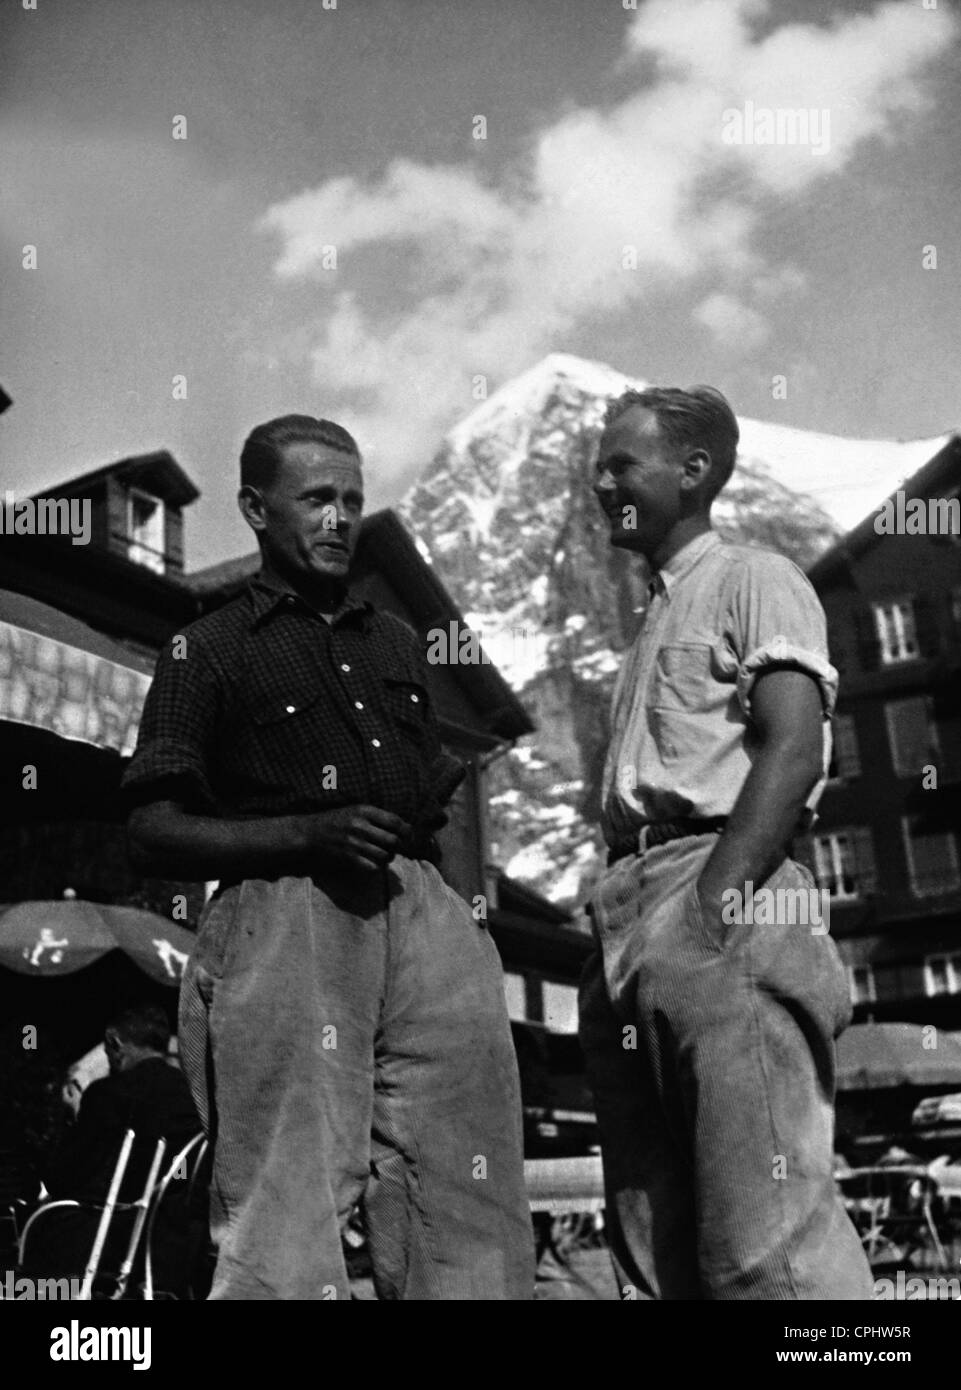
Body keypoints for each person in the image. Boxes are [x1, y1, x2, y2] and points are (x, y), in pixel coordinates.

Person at [122, 414, 533, 1301]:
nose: (340, 518)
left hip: (421, 916)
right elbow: (153, 827)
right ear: (256, 509)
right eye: (315, 498)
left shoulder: (395, 642)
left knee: (466, 1195)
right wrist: (303, 834)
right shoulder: (208, 648)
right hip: (285, 918)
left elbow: (442, 792)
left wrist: (465, 920)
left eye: (352, 498)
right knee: (287, 1197)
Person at [579, 385, 873, 1300]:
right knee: (654, 1242)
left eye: (621, 463)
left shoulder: (752, 576)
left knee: (768, 1244)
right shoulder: (652, 621)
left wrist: (714, 906)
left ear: (694, 470)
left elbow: (794, 746)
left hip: (716, 890)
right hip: (629, 913)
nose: (600, 480)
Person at [44, 1004, 200, 1203]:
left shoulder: (108, 1094)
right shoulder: (193, 1094)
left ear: (115, 1044)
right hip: (179, 1221)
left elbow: (63, 1179)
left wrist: (75, 1118)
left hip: (121, 1223)